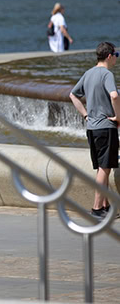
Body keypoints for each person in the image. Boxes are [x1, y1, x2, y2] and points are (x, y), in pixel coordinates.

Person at [69, 42, 120, 220]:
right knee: (105, 168)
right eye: (116, 55)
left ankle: (105, 206)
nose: (116, 58)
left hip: (92, 128)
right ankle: (97, 208)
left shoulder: (88, 73)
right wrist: (118, 117)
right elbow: (114, 95)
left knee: (101, 167)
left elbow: (73, 95)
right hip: (106, 127)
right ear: (109, 56)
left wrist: (85, 115)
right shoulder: (106, 74)